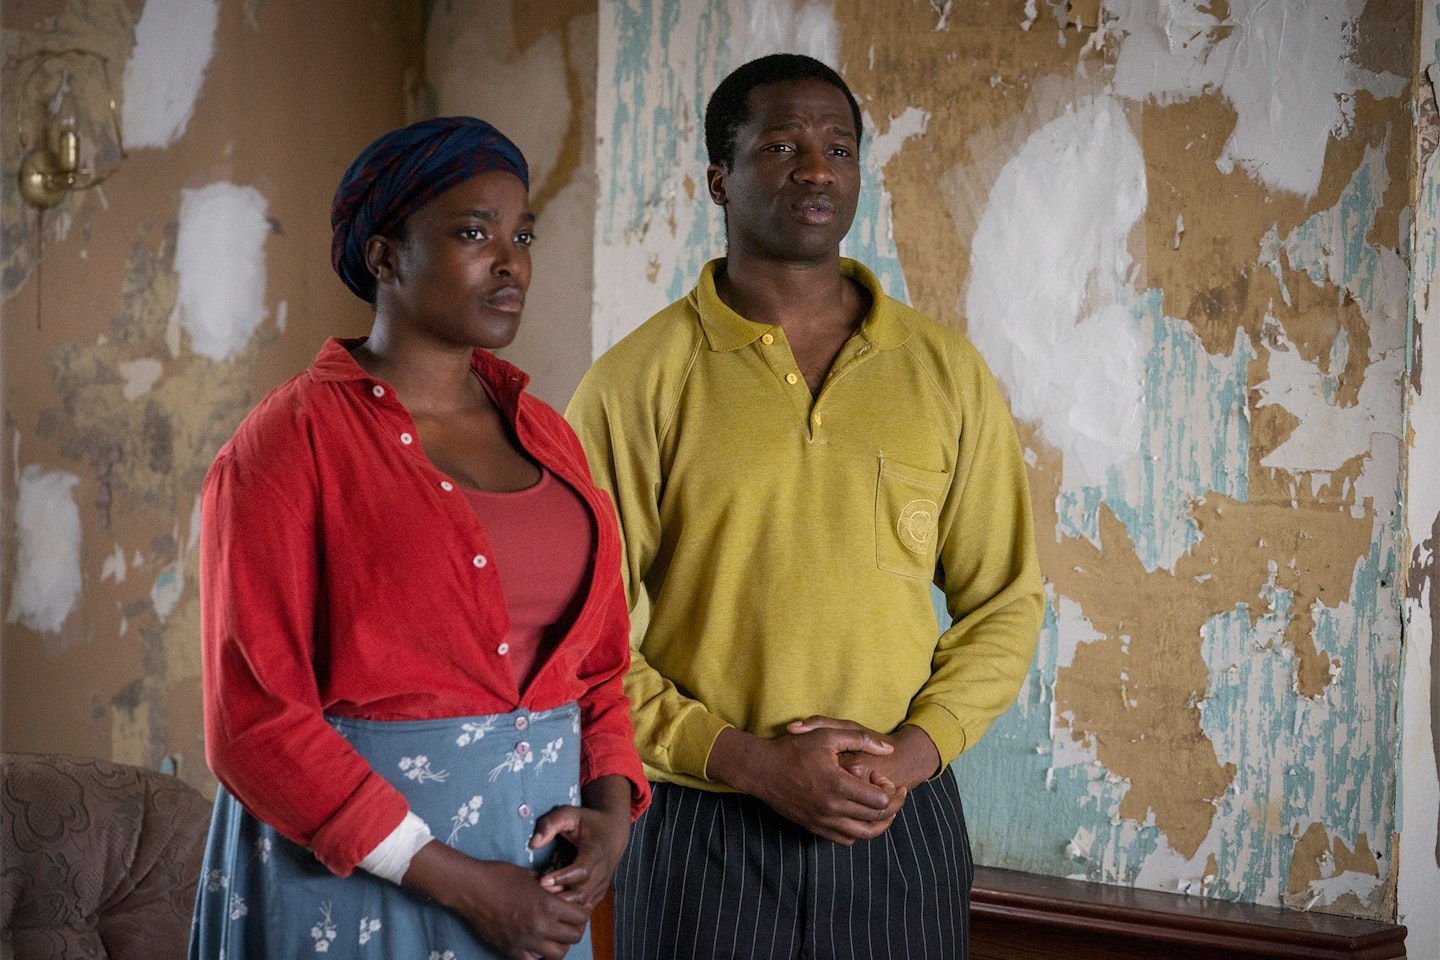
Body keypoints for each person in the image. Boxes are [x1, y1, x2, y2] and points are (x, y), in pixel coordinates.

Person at [565, 54, 1044, 959]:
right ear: (720, 179)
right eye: (781, 146)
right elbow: (588, 647)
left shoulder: (945, 375)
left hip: (899, 821)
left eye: (839, 148)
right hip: (704, 826)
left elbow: (1006, 603)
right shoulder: (635, 384)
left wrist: (907, 756)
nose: (816, 169)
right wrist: (749, 761)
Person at [189, 116, 649, 960]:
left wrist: (613, 819)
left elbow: (599, 671)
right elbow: (254, 721)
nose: (510, 261)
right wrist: (463, 882)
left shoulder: (549, 436)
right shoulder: (288, 444)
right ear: (384, 256)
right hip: (359, 883)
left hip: (538, 887)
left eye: (522, 235)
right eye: (474, 233)